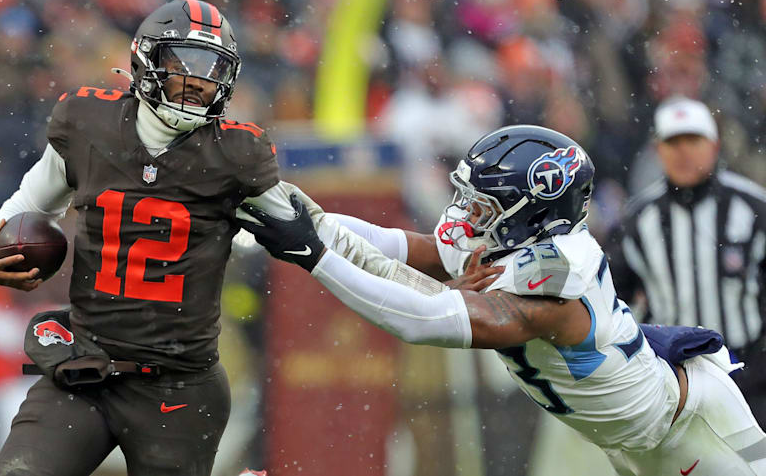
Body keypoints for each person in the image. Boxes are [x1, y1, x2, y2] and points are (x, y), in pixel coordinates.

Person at [238, 125, 766, 475]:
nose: (465, 215)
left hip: (688, 427)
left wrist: (315, 256)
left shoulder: (554, 282)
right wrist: (309, 218)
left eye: (483, 204)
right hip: (630, 438)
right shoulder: (513, 245)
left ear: (533, 213)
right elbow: (401, 247)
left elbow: (423, 319)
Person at [0, 0, 294, 476]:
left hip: (177, 386)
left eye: (213, 68)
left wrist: (402, 261)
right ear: (147, 58)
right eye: (186, 63)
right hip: (84, 367)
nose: (199, 80)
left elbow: (311, 233)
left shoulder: (237, 153)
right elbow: (30, 205)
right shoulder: (89, 124)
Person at [610, 96, 766, 428]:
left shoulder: (754, 208)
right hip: (672, 379)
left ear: (714, 145)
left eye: (693, 140)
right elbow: (612, 297)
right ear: (658, 150)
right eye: (673, 142)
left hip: (752, 375)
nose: (684, 152)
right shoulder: (638, 219)